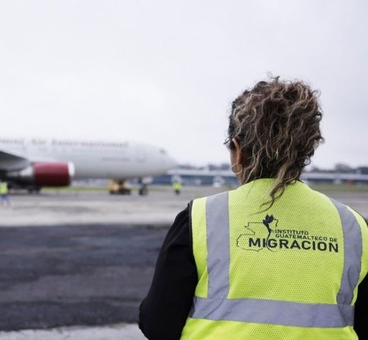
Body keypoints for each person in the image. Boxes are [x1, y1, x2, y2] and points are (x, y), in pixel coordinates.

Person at [138, 77, 368, 339]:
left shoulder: (200, 219)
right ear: (306, 150)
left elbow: (158, 324)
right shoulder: (354, 228)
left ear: (237, 150)